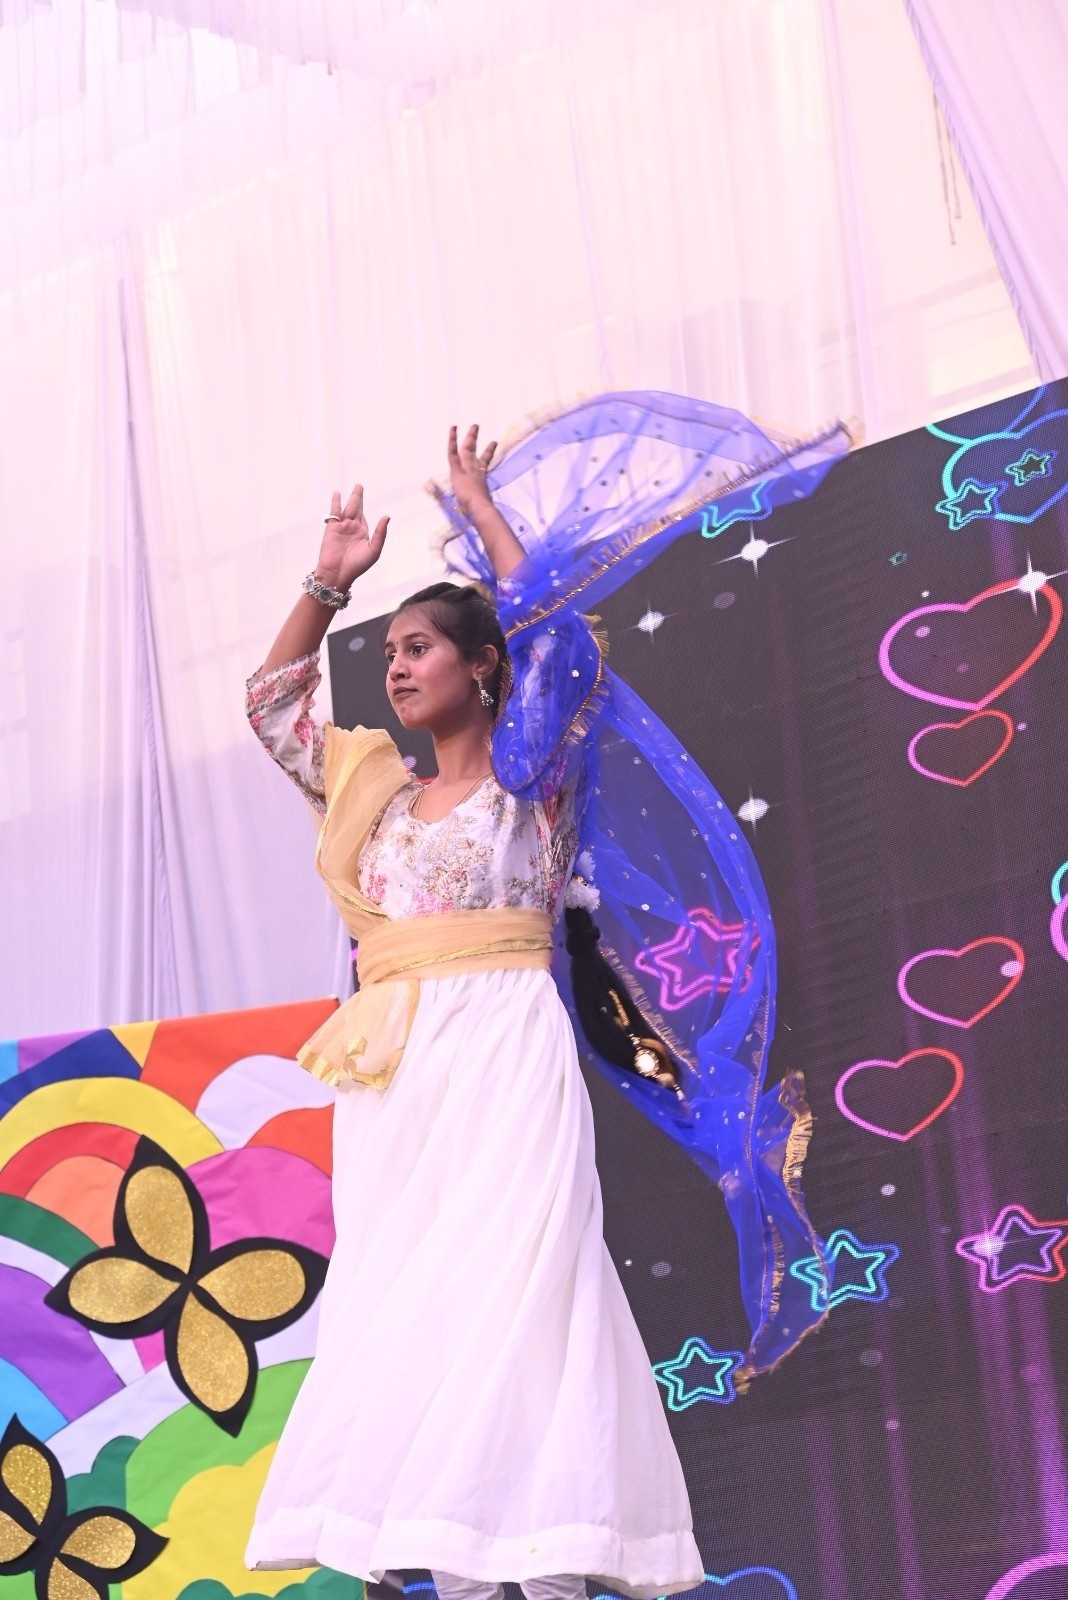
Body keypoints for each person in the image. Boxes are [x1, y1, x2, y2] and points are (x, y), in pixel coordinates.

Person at [243, 423, 707, 1598]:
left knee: (528, 1289)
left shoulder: (531, 781)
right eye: (391, 651)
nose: (397, 668)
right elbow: (274, 703)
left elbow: (563, 648)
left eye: (420, 648)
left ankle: (547, 1564)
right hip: (399, 1074)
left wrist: (482, 511)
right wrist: (327, 583)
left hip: (505, 1045)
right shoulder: (375, 792)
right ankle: (451, 1561)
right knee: (416, 1299)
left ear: (481, 667)